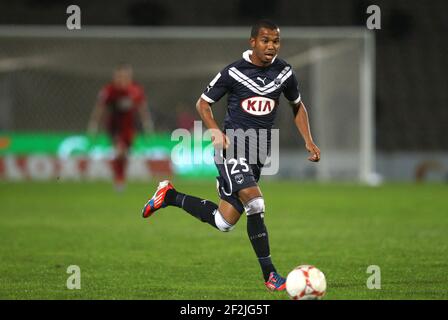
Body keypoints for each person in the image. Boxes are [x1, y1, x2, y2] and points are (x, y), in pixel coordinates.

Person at [142, 20, 320, 291]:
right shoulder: (233, 73)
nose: (271, 46)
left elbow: (297, 106)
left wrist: (309, 140)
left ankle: (170, 196)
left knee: (224, 222)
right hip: (232, 148)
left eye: (275, 41)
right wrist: (214, 131)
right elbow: (203, 104)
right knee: (256, 202)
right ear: (252, 42)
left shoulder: (284, 72)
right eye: (265, 41)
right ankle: (270, 275)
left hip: (259, 152)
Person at [88, 64, 154, 191]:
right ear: (115, 77)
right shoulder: (109, 90)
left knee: (124, 154)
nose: (122, 79)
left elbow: (142, 108)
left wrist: (147, 125)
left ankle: (120, 176)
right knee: (120, 151)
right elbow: (100, 108)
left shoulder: (135, 90)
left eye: (125, 76)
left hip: (129, 127)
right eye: (119, 76)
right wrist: (94, 124)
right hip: (114, 127)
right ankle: (119, 179)